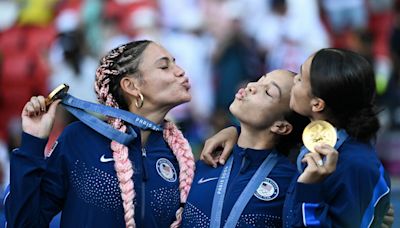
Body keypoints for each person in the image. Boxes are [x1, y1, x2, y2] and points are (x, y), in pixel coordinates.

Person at [4, 40, 195, 228]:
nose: (180, 71)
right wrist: (33, 142)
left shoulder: (179, 154)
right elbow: (24, 223)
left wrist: (227, 132)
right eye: (164, 66)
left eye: (175, 63)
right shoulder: (79, 139)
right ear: (131, 86)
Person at [201, 48, 391, 227]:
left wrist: (309, 188)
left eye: (300, 79)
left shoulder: (355, 164)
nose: (293, 81)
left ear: (317, 104)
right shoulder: (309, 145)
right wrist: (235, 131)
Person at [182, 70, 310, 227]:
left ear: (281, 126)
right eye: (259, 80)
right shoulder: (208, 159)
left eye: (268, 92)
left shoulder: (290, 181)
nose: (251, 86)